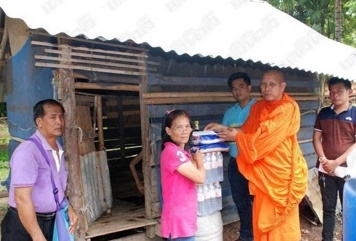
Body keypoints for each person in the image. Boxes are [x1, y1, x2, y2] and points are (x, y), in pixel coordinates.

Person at [206, 68, 308, 241]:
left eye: (272, 84)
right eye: (264, 84)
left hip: (281, 174)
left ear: (282, 86)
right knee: (262, 216)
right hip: (263, 175)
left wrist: (237, 136)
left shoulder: (288, 108)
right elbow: (246, 131)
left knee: (282, 225)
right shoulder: (259, 107)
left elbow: (262, 141)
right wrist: (223, 128)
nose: (267, 88)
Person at [1, 99, 78, 241]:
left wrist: (68, 207)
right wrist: (37, 236)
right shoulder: (28, 152)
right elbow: (21, 198)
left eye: (61, 117)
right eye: (53, 117)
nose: (59, 122)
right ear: (39, 122)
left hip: (49, 222)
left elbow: (56, 187)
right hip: (24, 225)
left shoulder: (57, 149)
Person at [205, 72, 255, 241]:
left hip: (255, 163)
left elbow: (253, 131)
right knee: (241, 202)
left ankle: (261, 235)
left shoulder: (258, 108)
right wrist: (209, 142)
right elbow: (225, 138)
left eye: (241, 87)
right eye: (234, 89)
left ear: (249, 88)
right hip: (235, 162)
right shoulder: (229, 112)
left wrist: (226, 130)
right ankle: (247, 235)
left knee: (258, 201)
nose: (238, 91)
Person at [313, 77, 356, 241]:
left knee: (349, 209)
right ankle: (327, 238)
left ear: (349, 92)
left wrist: (336, 162)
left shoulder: (354, 113)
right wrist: (324, 160)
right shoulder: (324, 113)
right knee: (328, 208)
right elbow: (316, 139)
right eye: (332, 92)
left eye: (339, 91)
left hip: (348, 171)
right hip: (326, 170)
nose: (335, 95)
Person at [160, 109, 205, 241]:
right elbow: (200, 178)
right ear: (168, 131)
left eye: (187, 126)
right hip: (178, 220)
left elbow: (193, 178)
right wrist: (200, 160)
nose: (185, 131)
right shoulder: (173, 153)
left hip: (183, 217)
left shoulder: (180, 152)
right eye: (179, 127)